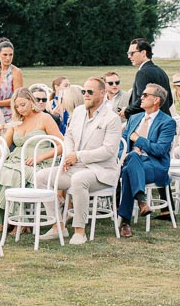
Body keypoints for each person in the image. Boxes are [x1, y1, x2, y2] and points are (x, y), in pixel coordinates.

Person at [39, 77, 121, 244]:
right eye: (84, 91)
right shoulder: (78, 112)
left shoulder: (112, 118)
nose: (86, 95)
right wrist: (69, 155)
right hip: (74, 167)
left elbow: (109, 150)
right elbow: (68, 136)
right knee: (41, 177)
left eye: (90, 92)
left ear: (102, 93)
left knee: (79, 180)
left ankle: (79, 231)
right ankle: (57, 226)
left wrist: (79, 156)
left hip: (100, 171)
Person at [0, 90, 62, 234]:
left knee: (15, 175)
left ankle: (20, 222)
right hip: (17, 161)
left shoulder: (44, 118)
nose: (21, 109)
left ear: (31, 101)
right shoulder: (16, 122)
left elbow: (61, 145)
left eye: (23, 104)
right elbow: (4, 147)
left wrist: (40, 158)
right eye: (17, 107)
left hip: (41, 162)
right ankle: (9, 219)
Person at [117, 84, 176, 238]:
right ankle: (141, 200)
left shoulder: (167, 122)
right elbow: (122, 144)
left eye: (145, 95)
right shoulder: (134, 118)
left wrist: (138, 139)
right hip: (132, 161)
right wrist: (121, 155)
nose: (140, 97)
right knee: (132, 159)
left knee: (127, 171)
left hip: (154, 166)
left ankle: (125, 222)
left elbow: (160, 150)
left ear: (156, 100)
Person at [124, 38, 171, 119]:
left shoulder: (143, 73)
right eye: (128, 53)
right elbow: (169, 100)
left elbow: (142, 100)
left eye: (132, 53)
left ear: (143, 53)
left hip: (149, 122)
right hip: (164, 120)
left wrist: (127, 111)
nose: (129, 56)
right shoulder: (161, 71)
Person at [0, 38, 23, 121]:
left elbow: (17, 99)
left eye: (11, 55)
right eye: (5, 55)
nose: (8, 58)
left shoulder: (16, 72)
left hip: (11, 115)